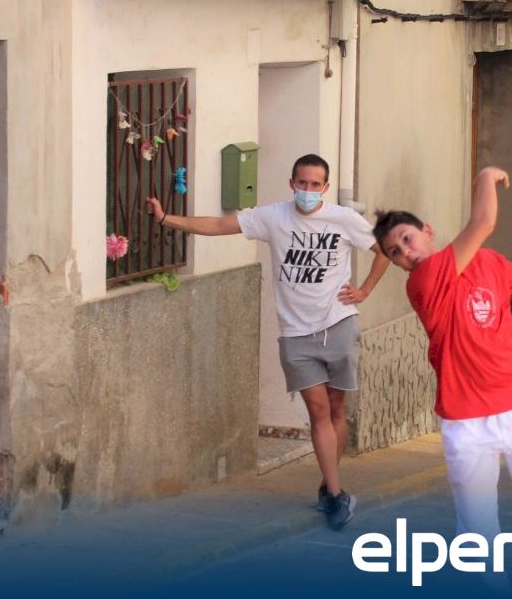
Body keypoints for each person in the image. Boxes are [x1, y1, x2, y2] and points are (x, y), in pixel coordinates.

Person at [146, 153, 389, 530]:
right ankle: (336, 495)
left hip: (339, 324)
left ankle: (329, 479)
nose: (308, 190)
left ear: (325, 187)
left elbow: (384, 251)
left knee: (336, 409)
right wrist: (166, 219)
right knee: (318, 411)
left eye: (315, 184)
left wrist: (365, 290)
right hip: (295, 334)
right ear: (291, 183)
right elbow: (220, 224)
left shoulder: (344, 219)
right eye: (302, 183)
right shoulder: (273, 217)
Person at [373, 167, 512, 564]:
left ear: (427, 230)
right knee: (477, 533)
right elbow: (485, 221)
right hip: (467, 422)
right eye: (395, 253)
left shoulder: (488, 261)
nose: (406, 253)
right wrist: (486, 176)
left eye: (407, 239)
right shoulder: (422, 282)